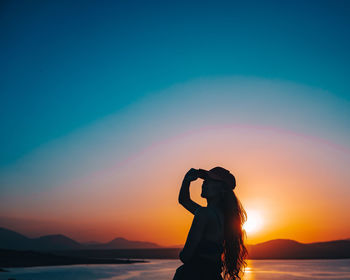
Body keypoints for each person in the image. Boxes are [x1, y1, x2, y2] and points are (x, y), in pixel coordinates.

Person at [173, 167, 248, 280]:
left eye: (209, 181)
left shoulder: (204, 214)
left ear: (221, 189)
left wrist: (181, 253)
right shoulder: (223, 217)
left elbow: (185, 256)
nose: (204, 183)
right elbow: (184, 200)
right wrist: (186, 180)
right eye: (204, 180)